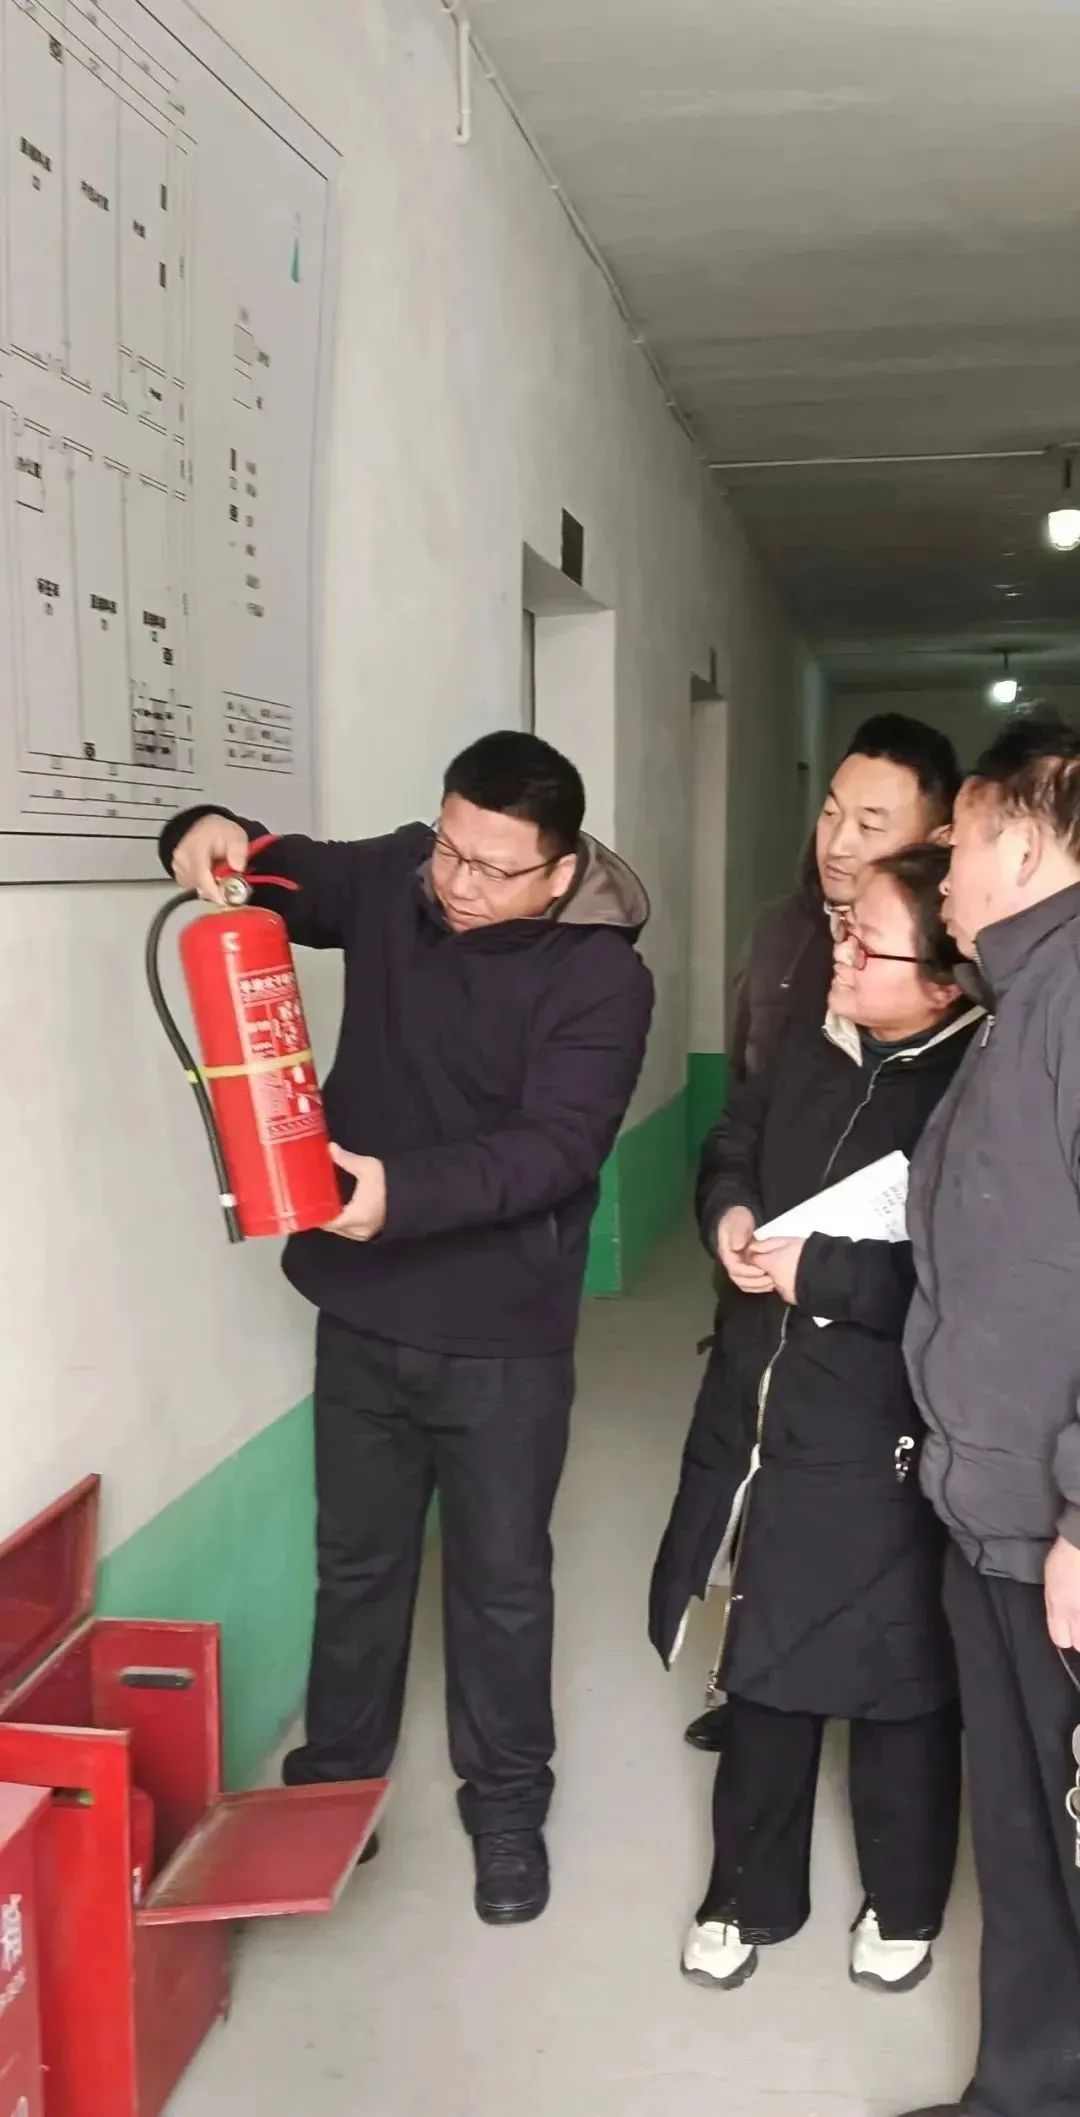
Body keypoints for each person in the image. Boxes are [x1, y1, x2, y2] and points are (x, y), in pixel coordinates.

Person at [161, 731, 653, 1926]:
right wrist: (205, 830)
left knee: (501, 1582)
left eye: (493, 868)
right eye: (448, 848)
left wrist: (400, 1194)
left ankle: (507, 1809)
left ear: (560, 870)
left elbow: (554, 1148)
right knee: (360, 1562)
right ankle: (336, 1786)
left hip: (503, 1334)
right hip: (363, 1307)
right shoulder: (398, 874)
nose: (457, 882)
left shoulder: (601, 979)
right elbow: (279, 872)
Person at [650, 845, 983, 1992]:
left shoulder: (978, 1090)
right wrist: (733, 1211)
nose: (837, 951)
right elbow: (733, 1137)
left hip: (888, 1426)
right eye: (843, 929)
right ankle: (748, 1890)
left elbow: (976, 1285)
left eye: (865, 942)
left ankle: (904, 1895)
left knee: (901, 1675)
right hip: (766, 1395)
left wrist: (823, 1272)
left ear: (942, 981)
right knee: (765, 1659)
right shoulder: (812, 1038)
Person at [686, 712, 962, 1752]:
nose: (838, 842)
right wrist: (731, 1211)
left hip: (877, 1355)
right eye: (831, 811)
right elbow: (745, 1112)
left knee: (881, 1591)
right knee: (749, 1493)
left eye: (872, 823)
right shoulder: (784, 937)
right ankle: (755, 1681)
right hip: (768, 1306)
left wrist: (834, 1274)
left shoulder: (976, 1033)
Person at [900, 714, 1080, 2117]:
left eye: (954, 841)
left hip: (1056, 1533)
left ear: (1020, 839)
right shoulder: (1022, 997)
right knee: (1021, 1845)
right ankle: (1022, 2093)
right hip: (993, 1514)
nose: (939, 872)